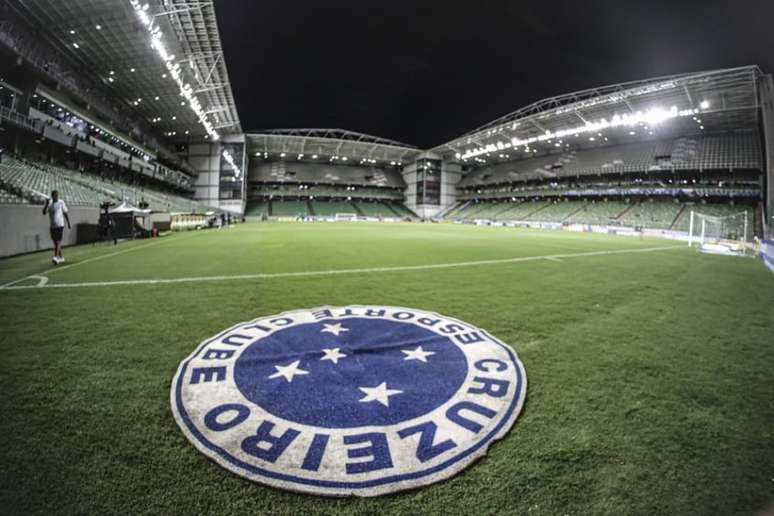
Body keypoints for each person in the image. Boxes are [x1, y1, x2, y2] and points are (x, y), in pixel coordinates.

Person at [42, 190, 71, 264]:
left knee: (58, 241)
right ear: (52, 196)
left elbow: (65, 213)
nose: (57, 196)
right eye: (55, 195)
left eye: (57, 195)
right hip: (52, 226)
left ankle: (55, 257)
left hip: (60, 225)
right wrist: (46, 204)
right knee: (55, 243)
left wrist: (68, 223)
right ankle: (61, 257)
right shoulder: (50, 203)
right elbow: (44, 213)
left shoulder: (61, 202)